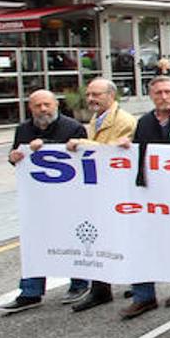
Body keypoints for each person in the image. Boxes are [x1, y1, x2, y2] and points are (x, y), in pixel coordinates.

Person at [0, 90, 89, 314]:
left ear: (56, 105)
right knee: (35, 241)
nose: (43, 110)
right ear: (30, 108)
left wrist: (48, 143)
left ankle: (79, 283)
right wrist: (13, 158)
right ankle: (30, 291)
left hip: (70, 197)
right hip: (37, 199)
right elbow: (16, 156)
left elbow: (83, 155)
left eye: (47, 105)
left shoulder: (73, 127)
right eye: (38, 106)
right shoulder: (23, 130)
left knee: (73, 237)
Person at [119, 76, 170, 318]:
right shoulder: (143, 122)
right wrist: (124, 145)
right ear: (151, 96)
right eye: (158, 93)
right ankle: (144, 296)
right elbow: (137, 152)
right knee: (142, 240)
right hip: (149, 194)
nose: (163, 97)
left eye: (167, 92)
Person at [63, 78, 138, 312]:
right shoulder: (99, 117)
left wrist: (81, 143)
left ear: (111, 96)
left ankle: (133, 284)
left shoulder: (123, 120)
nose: (91, 99)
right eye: (89, 95)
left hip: (118, 190)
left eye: (97, 95)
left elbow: (108, 150)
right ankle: (101, 288)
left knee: (121, 237)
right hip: (102, 188)